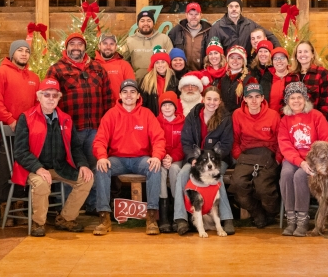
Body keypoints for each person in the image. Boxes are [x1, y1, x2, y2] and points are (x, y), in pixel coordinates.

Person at [12, 78, 93, 237]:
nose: (50, 98)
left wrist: (83, 164)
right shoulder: (26, 118)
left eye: (54, 95)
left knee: (87, 179)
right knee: (42, 183)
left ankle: (65, 218)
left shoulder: (66, 119)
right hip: (32, 168)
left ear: (59, 98)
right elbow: (20, 151)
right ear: (39, 97)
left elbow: (75, 147)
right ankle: (38, 222)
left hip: (59, 167)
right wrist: (38, 168)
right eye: (46, 94)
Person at [46, 32, 113, 215]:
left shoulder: (98, 68)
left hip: (95, 128)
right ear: (66, 47)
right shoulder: (56, 69)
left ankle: (92, 205)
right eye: (72, 44)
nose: (76, 47)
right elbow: (50, 99)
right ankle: (69, 209)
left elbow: (108, 98)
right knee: (70, 168)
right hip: (69, 129)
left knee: (92, 167)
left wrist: (107, 126)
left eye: (80, 44)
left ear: (85, 47)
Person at [92, 79, 166, 235]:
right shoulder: (111, 115)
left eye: (132, 92)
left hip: (141, 159)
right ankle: (104, 216)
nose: (129, 95)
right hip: (117, 159)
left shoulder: (146, 114)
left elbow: (158, 138)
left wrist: (157, 156)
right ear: (120, 95)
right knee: (101, 168)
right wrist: (102, 156)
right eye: (125, 92)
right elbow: (100, 140)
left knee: (155, 167)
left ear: (138, 95)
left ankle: (151, 216)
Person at [278, 82, 328, 237]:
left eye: (299, 97)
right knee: (286, 174)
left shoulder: (316, 116)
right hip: (294, 159)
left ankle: (303, 219)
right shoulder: (285, 120)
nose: (296, 101)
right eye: (292, 98)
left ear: (305, 99)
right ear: (287, 101)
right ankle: (291, 219)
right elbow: (285, 146)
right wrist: (300, 162)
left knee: (299, 176)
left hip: (315, 160)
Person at [174, 86, 235, 236]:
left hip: (216, 159)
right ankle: (180, 218)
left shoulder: (225, 118)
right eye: (209, 99)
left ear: (220, 101)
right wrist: (193, 158)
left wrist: (214, 160)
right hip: (197, 159)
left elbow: (226, 144)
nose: (212, 102)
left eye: (215, 99)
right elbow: (186, 141)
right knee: (182, 174)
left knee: (216, 176)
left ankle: (227, 218)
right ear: (203, 99)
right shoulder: (193, 116)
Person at [0, 40, 40, 226]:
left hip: (27, 131)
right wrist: (10, 120)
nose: (23, 54)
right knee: (6, 167)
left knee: (24, 166)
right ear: (12, 53)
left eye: (27, 51)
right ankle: (5, 205)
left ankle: (19, 205)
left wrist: (31, 124)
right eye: (19, 50)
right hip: (6, 129)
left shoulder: (34, 77)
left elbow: (38, 104)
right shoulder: (0, 73)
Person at [229, 83, 281, 228]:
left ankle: (271, 214)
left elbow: (280, 140)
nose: (253, 101)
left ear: (262, 98)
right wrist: (238, 156)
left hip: (267, 154)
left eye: (257, 97)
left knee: (263, 188)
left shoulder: (273, 115)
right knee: (238, 184)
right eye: (250, 97)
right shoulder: (237, 115)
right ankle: (257, 213)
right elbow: (234, 139)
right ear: (244, 99)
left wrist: (277, 159)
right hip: (246, 155)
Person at [208, 0, 279, 55]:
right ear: (227, 9)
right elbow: (210, 48)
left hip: (246, 65)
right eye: (231, 6)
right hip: (227, 66)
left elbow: (270, 36)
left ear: (240, 9)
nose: (234, 9)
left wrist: (278, 52)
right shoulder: (217, 27)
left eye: (237, 6)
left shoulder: (249, 24)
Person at [284, 40, 328, 122]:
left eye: (306, 51)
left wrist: (319, 120)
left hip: (315, 121)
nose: (302, 54)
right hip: (293, 121)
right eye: (299, 52)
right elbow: (286, 100)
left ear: (312, 54)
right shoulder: (290, 76)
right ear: (296, 56)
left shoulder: (323, 73)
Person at [156, 91, 185, 233]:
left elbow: (183, 145)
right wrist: (162, 157)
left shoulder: (183, 122)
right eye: (164, 105)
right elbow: (154, 142)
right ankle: (164, 216)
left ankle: (176, 213)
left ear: (176, 107)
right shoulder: (155, 121)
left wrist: (172, 157)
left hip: (176, 159)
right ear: (160, 107)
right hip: (161, 157)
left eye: (170, 105)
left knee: (174, 169)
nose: (167, 108)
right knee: (160, 170)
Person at [123, 10, 173, 82]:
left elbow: (170, 60)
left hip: (159, 82)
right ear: (138, 23)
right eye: (142, 21)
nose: (146, 23)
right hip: (137, 81)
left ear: (154, 23)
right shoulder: (129, 41)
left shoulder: (164, 39)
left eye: (149, 20)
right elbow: (124, 62)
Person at [168, 2, 211, 70]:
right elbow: (169, 51)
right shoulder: (176, 30)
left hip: (202, 73)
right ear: (186, 15)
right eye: (191, 14)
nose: (194, 17)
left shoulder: (209, 31)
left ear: (201, 15)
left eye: (196, 14)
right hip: (181, 73)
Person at [95, 32, 135, 104]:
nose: (108, 47)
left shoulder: (124, 65)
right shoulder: (93, 65)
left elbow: (132, 89)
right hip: (98, 108)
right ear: (99, 46)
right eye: (105, 43)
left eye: (111, 44)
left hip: (119, 108)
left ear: (116, 47)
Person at [140, 46, 179, 116]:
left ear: (167, 63)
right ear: (153, 65)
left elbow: (178, 101)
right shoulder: (146, 80)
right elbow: (142, 102)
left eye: (163, 62)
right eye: (157, 62)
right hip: (152, 116)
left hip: (169, 117)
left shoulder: (174, 80)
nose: (160, 65)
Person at [220, 45, 257, 113]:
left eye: (239, 58)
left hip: (241, 118)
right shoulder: (223, 79)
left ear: (243, 62)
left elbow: (253, 104)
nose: (235, 61)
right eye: (232, 57)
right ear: (228, 60)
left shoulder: (250, 80)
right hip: (225, 118)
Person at [269, 47, 290, 113]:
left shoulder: (294, 77)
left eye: (282, 57)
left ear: (287, 61)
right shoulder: (267, 78)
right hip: (272, 119)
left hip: (289, 118)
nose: (279, 61)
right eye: (275, 58)